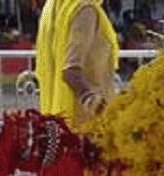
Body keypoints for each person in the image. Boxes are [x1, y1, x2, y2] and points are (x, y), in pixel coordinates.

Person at [35, 0, 119, 129]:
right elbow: (71, 71)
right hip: (89, 121)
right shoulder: (85, 11)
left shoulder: (52, 6)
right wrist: (91, 101)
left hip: (58, 118)